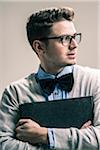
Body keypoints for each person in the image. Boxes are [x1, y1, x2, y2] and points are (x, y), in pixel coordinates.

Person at [0, 6, 100, 150]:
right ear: (39, 47)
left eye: (75, 36)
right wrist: (81, 141)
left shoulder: (96, 81)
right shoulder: (15, 92)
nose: (74, 45)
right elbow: (4, 144)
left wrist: (45, 135)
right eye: (64, 39)